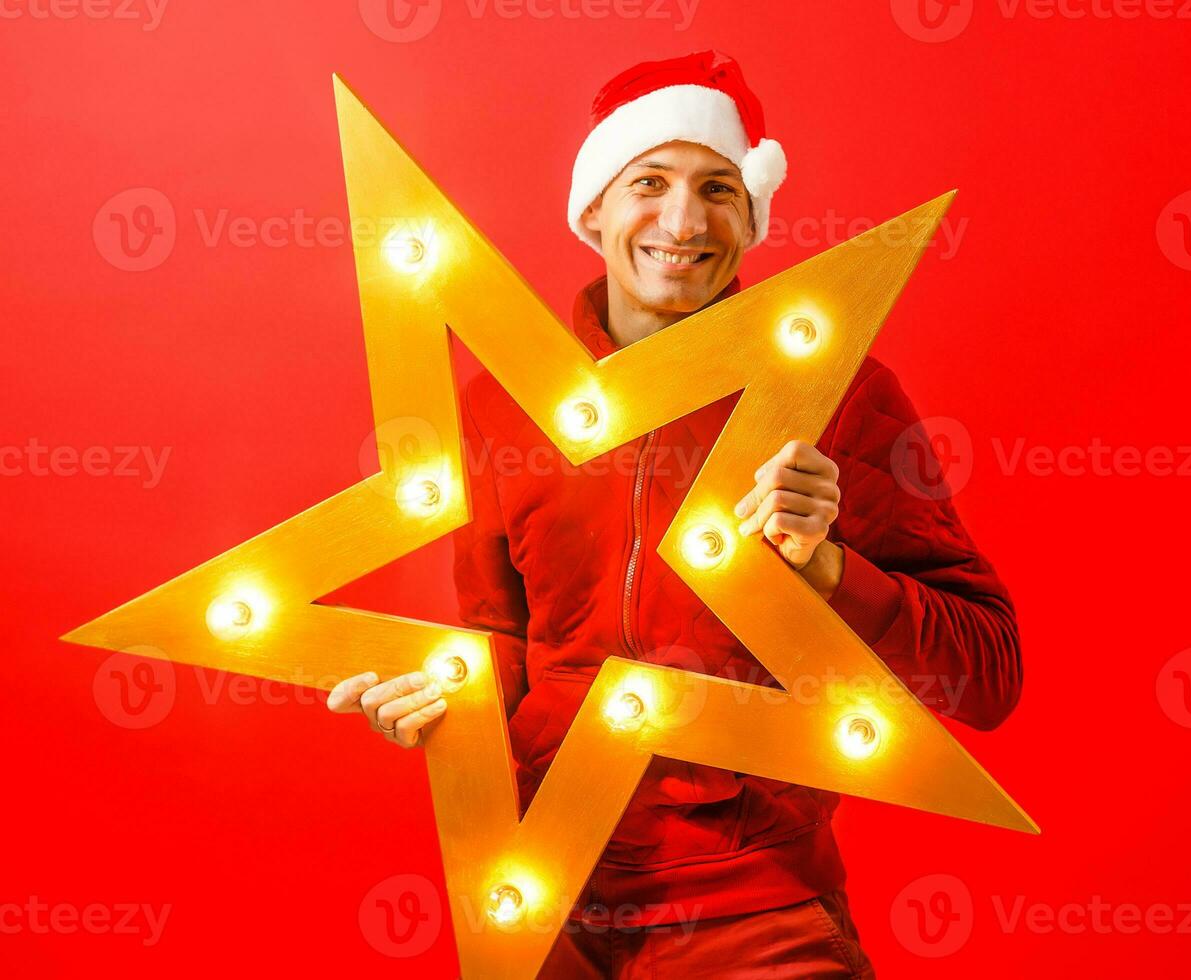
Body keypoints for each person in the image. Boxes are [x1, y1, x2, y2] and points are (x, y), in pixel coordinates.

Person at [327, 49, 1021, 978]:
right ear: (594, 209)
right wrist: (436, 697)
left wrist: (825, 566)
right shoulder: (503, 406)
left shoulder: (835, 394)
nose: (683, 221)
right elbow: (507, 644)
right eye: (648, 182)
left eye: (719, 189)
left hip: (758, 917)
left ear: (752, 213)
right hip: (547, 898)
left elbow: (986, 676)